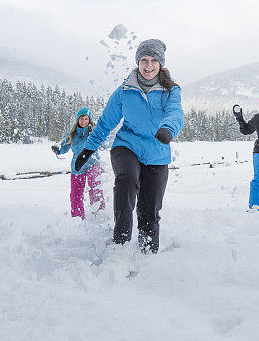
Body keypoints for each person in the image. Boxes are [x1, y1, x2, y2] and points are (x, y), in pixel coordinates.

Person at [74, 39, 184, 253]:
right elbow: (106, 123)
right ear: (138, 62)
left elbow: (175, 113)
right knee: (127, 179)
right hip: (126, 146)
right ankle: (120, 242)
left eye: (153, 60)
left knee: (149, 209)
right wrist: (88, 149)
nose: (148, 65)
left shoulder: (171, 90)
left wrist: (168, 128)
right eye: (144, 60)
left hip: (157, 152)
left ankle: (147, 254)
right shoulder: (125, 90)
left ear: (160, 63)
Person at [52, 107, 106, 220]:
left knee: (95, 190)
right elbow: (64, 146)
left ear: (89, 120)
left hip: (93, 164)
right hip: (77, 166)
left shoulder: (94, 132)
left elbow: (105, 139)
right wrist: (58, 149)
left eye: (86, 119)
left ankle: (99, 215)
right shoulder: (72, 134)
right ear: (78, 120)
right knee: (76, 194)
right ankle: (77, 218)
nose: (84, 121)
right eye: (81, 119)